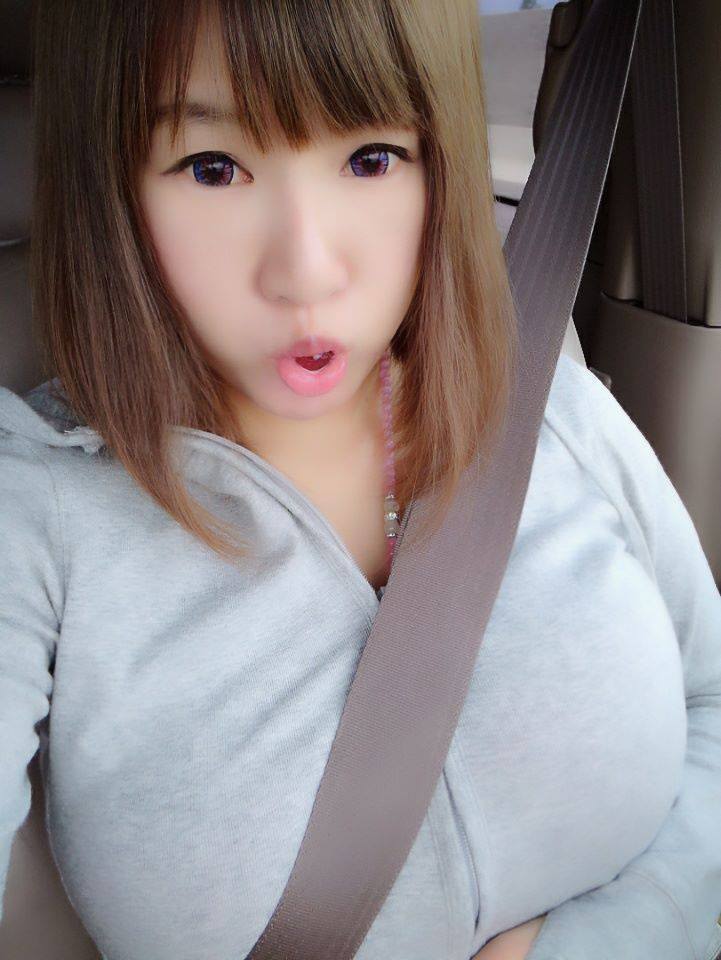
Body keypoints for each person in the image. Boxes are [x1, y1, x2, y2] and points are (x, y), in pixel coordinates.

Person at [1, 2, 720, 959]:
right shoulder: (36, 512)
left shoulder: (547, 401)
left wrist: (627, 932)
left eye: (371, 158)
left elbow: (711, 697)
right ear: (111, 188)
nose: (307, 271)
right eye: (212, 168)